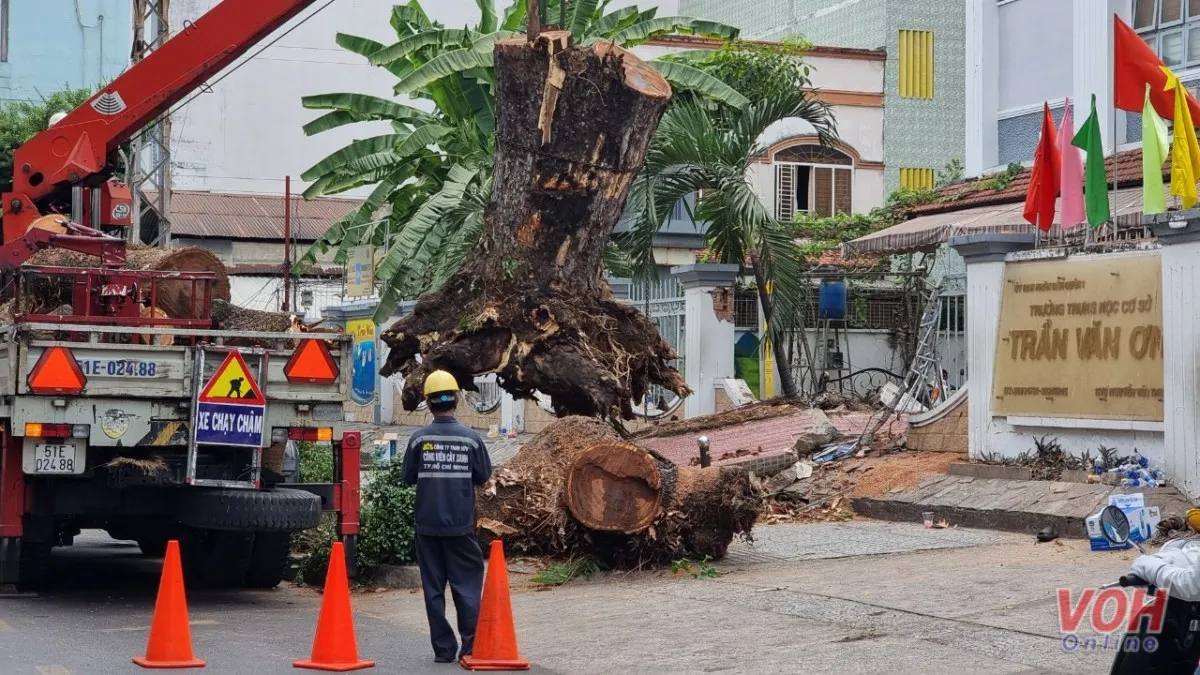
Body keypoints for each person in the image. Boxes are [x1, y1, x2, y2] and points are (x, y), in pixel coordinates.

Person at [402, 370, 494, 663]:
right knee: (467, 587)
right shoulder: (471, 440)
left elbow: (407, 477)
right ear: (456, 399)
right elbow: (484, 476)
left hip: (427, 527)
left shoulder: (418, 440)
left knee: (433, 589)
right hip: (461, 526)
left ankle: (443, 650)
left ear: (428, 403)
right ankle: (471, 647)